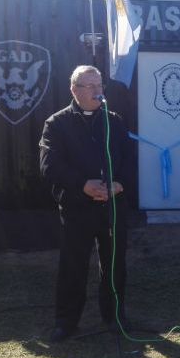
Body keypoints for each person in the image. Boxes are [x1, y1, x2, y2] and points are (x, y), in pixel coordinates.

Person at [39, 65, 134, 342]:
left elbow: (130, 159)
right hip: (77, 206)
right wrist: (82, 185)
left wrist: (119, 184)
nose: (97, 91)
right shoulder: (57, 124)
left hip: (111, 205)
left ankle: (114, 315)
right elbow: (49, 165)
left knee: (114, 264)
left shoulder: (113, 121)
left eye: (99, 85)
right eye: (89, 86)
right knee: (73, 265)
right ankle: (66, 321)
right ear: (74, 90)